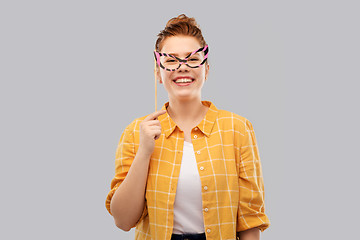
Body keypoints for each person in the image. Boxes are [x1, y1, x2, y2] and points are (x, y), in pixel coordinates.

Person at [105, 14, 270, 240]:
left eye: (192, 59)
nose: (182, 67)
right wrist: (144, 152)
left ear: (206, 70)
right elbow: (123, 220)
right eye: (171, 60)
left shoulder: (238, 129)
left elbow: (250, 220)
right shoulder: (136, 132)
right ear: (158, 74)